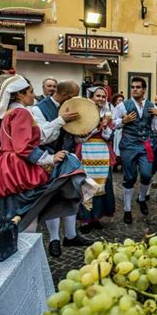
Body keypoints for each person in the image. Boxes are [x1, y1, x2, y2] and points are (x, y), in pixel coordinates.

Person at [0, 75, 90, 244]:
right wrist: (50, 158)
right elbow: (23, 147)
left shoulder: (10, 113)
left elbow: (35, 137)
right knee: (26, 215)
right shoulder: (21, 112)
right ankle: (21, 253)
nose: (34, 95)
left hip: (8, 166)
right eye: (31, 92)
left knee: (15, 212)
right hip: (18, 169)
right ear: (20, 95)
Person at [32, 79, 93, 256]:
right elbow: (42, 137)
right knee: (53, 199)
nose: (76, 101)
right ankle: (54, 240)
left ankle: (71, 235)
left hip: (68, 157)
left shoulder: (70, 106)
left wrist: (83, 133)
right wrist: (61, 120)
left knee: (71, 195)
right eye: (73, 96)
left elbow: (74, 137)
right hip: (49, 160)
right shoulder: (38, 109)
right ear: (65, 95)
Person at [112, 76, 157, 224]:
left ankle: (141, 198)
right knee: (130, 177)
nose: (134, 89)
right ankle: (127, 209)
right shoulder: (123, 105)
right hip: (128, 145)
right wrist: (123, 121)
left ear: (144, 89)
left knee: (146, 175)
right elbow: (112, 123)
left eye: (138, 87)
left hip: (145, 145)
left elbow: (156, 129)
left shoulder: (151, 105)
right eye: (133, 87)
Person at [76, 86, 116, 233]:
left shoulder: (107, 114)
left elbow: (108, 136)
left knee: (101, 186)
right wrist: (95, 128)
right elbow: (79, 137)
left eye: (103, 96)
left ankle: (96, 217)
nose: (100, 99)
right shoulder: (83, 114)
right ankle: (84, 219)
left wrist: (105, 127)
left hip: (102, 152)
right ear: (91, 97)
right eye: (98, 96)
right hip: (86, 150)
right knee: (86, 185)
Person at [109, 93, 124, 171]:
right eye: (119, 100)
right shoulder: (111, 109)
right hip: (114, 132)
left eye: (122, 100)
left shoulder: (124, 109)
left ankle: (122, 164)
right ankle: (114, 164)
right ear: (115, 101)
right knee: (114, 149)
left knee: (120, 149)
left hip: (122, 131)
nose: (121, 102)